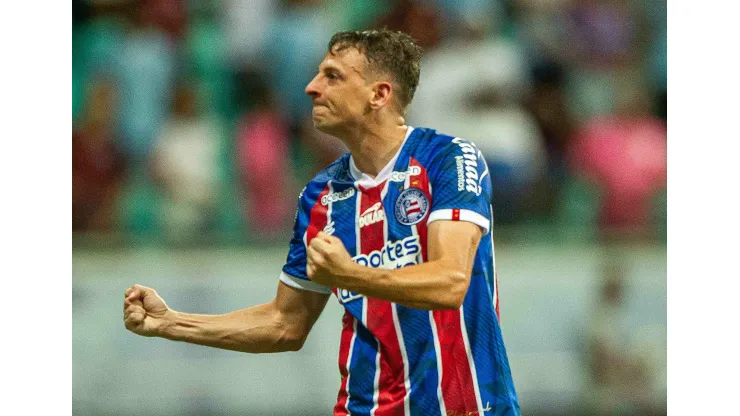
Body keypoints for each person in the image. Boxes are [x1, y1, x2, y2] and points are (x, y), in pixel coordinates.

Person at [123, 29, 520, 416]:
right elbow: (285, 323)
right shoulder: (322, 196)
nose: (312, 87)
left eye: (332, 76)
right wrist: (171, 322)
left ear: (379, 94)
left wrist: (351, 275)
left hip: (469, 407)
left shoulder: (446, 159)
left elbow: (450, 281)